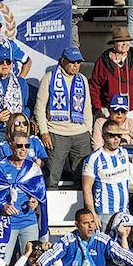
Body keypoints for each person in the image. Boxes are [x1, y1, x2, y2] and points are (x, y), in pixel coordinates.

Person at [0, 127, 49, 265]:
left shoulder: (33, 168)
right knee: (1, 264)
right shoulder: (0, 166)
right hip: (7, 224)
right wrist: (3, 206)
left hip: (29, 222)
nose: (23, 149)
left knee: (33, 264)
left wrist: (35, 201)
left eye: (27, 146)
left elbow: (40, 195)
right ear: (11, 146)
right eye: (19, 146)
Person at [35, 46, 94, 185]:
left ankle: (81, 207)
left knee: (83, 178)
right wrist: (44, 132)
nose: (76, 65)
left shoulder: (83, 79)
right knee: (52, 176)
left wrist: (88, 131)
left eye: (78, 62)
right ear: (62, 61)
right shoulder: (49, 78)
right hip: (56, 133)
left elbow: (87, 107)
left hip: (80, 134)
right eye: (72, 62)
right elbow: (39, 107)